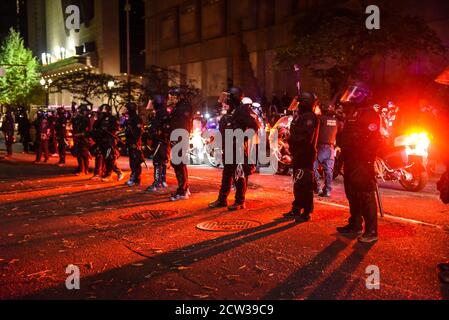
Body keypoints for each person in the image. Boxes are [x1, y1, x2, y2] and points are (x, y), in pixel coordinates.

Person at [337, 83, 382, 243]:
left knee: (365, 195)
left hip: (362, 161)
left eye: (353, 94)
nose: (349, 97)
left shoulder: (370, 114)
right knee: (352, 194)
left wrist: (366, 161)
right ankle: (355, 224)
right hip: (350, 159)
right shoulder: (354, 113)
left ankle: (371, 231)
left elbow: (373, 141)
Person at [209, 88, 261, 211]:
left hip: (238, 149)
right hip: (227, 148)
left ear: (233, 98)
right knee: (226, 175)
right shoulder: (230, 113)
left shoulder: (242, 110)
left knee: (239, 175)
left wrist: (242, 138)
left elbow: (255, 125)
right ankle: (222, 200)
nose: (224, 102)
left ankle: (240, 201)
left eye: (227, 98)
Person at [283, 92, 320, 222]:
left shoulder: (310, 117)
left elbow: (306, 138)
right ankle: (297, 207)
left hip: (305, 154)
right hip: (298, 154)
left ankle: (307, 210)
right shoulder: (300, 116)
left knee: (305, 184)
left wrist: (291, 138)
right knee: (298, 183)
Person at [168, 88, 193, 201]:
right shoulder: (179, 107)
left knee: (179, 164)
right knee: (179, 164)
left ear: (180, 97)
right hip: (177, 137)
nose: (171, 99)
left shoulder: (184, 107)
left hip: (180, 137)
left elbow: (182, 124)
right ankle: (184, 188)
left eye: (174, 96)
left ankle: (182, 191)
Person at [313, 104, 340, 197]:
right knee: (328, 171)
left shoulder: (320, 119)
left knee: (312, 168)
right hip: (331, 148)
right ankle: (328, 190)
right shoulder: (336, 121)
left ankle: (318, 187)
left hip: (320, 147)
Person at [146, 95, 171, 192]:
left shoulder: (161, 113)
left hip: (160, 141)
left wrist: (155, 132)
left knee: (157, 162)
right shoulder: (161, 113)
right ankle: (163, 181)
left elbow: (160, 127)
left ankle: (157, 183)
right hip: (162, 141)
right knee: (163, 161)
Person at [97, 104, 124, 182]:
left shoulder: (112, 119)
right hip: (102, 140)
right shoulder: (101, 119)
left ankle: (114, 173)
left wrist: (108, 129)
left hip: (110, 140)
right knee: (106, 158)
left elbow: (117, 128)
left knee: (110, 157)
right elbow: (96, 127)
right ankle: (111, 173)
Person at [124, 103, 144, 186]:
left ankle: (136, 179)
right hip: (130, 142)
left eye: (127, 109)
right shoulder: (130, 119)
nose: (126, 110)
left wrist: (135, 142)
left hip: (135, 143)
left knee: (136, 162)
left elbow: (139, 132)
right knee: (132, 162)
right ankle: (134, 177)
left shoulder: (136, 119)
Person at [71, 105, 91, 175]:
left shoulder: (86, 119)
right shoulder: (78, 119)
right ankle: (82, 169)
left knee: (83, 154)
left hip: (84, 139)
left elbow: (88, 130)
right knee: (79, 154)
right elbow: (73, 123)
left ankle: (84, 170)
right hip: (78, 138)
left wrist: (80, 135)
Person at [90, 105, 106, 180]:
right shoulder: (97, 121)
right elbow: (93, 130)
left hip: (106, 141)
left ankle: (104, 172)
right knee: (98, 156)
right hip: (98, 141)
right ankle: (97, 173)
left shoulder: (107, 121)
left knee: (107, 158)